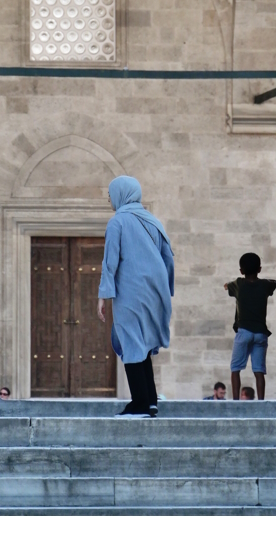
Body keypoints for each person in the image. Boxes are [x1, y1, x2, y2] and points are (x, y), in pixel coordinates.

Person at [97, 176, 174, 418]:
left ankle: (139, 404)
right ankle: (150, 401)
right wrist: (166, 291)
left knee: (131, 342)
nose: (109, 199)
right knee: (142, 345)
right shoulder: (153, 221)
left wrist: (103, 295)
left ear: (121, 193)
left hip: (130, 291)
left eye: (110, 194)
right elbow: (168, 257)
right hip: (155, 291)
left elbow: (110, 261)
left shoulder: (117, 222)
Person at [223, 252, 276, 400]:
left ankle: (236, 401)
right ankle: (261, 400)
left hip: (244, 331)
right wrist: (272, 282)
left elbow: (226, 286)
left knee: (235, 368)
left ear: (241, 271)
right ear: (259, 269)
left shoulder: (238, 284)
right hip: (261, 333)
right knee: (259, 370)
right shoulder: (265, 285)